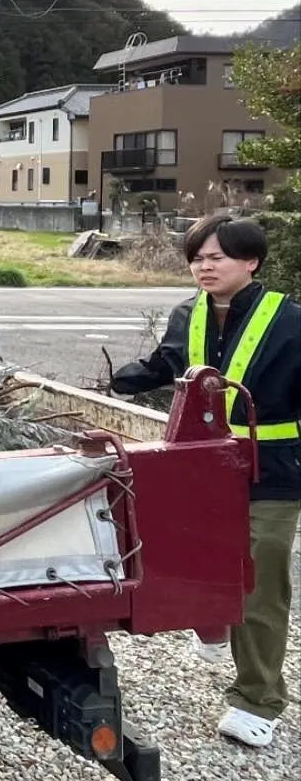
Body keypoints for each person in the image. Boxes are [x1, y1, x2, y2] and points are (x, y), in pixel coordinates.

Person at [110, 214, 300, 749]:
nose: (203, 266)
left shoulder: (291, 322)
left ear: (251, 262)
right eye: (196, 257)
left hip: (272, 473)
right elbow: (168, 365)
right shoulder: (186, 315)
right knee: (186, 559)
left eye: (216, 257)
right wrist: (121, 378)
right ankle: (213, 623)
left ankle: (256, 699)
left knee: (259, 581)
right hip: (198, 470)